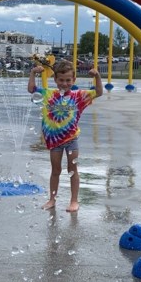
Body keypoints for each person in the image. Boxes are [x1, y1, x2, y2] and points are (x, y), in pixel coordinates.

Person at [27, 59, 104, 212]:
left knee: (72, 169)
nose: (64, 83)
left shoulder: (78, 96)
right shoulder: (48, 94)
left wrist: (97, 76)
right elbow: (31, 89)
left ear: (73, 80)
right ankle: (52, 199)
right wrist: (33, 73)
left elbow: (99, 92)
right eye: (61, 80)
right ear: (55, 79)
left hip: (71, 140)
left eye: (68, 80)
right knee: (55, 170)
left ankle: (74, 201)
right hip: (54, 142)